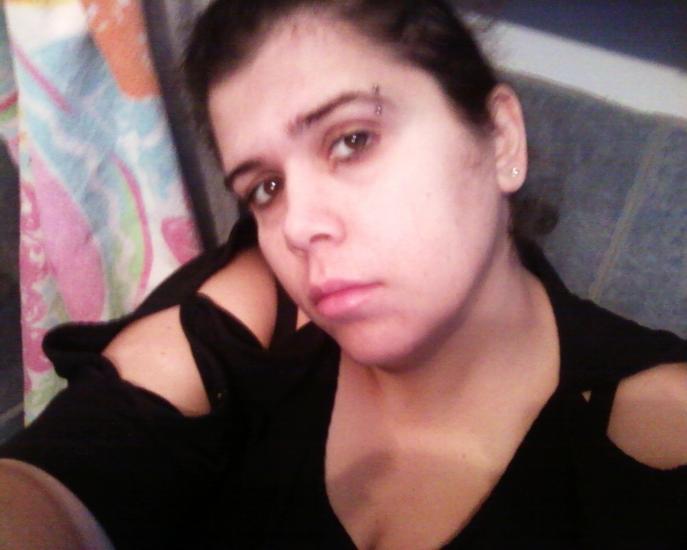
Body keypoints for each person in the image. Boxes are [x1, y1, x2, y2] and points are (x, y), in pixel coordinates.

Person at [1, 0, 686, 548]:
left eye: (352, 140)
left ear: (498, 137)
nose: (297, 226)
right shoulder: (256, 309)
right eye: (265, 187)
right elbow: (73, 469)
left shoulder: (652, 433)